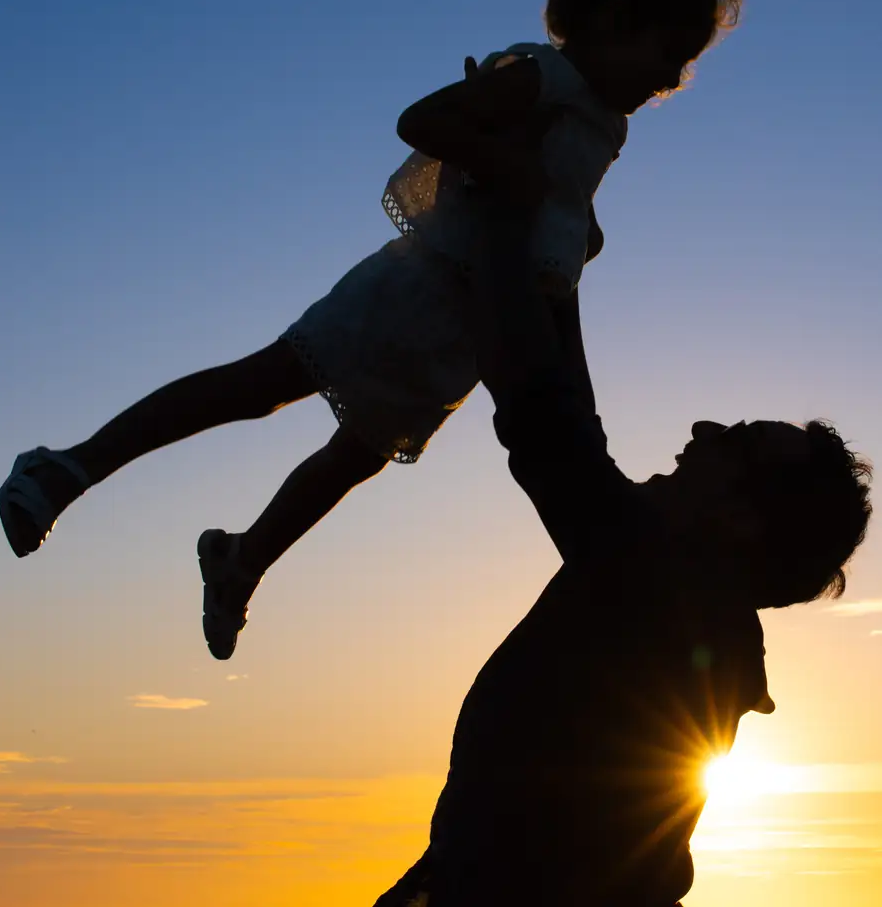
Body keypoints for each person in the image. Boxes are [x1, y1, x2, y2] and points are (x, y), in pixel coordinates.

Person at [0, 0, 739, 661]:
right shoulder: (544, 77)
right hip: (415, 294)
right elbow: (423, 123)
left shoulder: (602, 121)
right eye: (671, 52)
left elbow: (557, 207)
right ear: (619, 21)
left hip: (463, 340)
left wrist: (572, 227)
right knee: (259, 386)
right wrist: (510, 168)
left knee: (352, 459)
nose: (674, 79)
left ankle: (241, 559)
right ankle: (69, 466)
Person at [371, 190, 873, 907]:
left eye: (734, 441)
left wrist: (502, 216)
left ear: (740, 521)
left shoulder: (655, 589)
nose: (703, 428)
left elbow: (544, 420)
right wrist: (558, 267)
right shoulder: (684, 602)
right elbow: (568, 419)